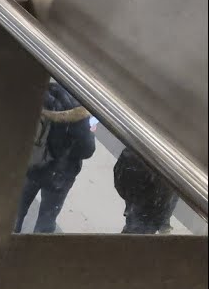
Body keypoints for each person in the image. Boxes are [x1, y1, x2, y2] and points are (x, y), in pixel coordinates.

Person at [16, 81, 96, 234]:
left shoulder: (41, 93)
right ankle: (36, 252)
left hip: (31, 166)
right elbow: (88, 149)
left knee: (15, 212)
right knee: (46, 220)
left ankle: (5, 244)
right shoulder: (79, 108)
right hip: (59, 175)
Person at [113, 147, 179, 234]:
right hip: (148, 190)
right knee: (140, 226)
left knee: (139, 224)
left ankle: (160, 221)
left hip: (142, 181)